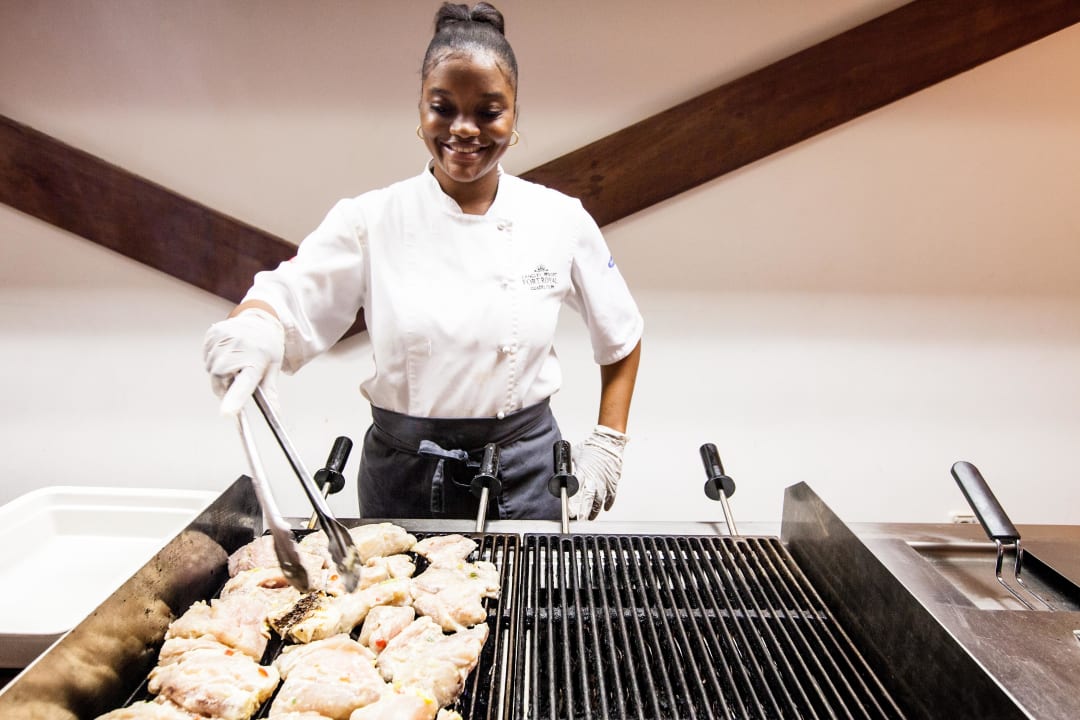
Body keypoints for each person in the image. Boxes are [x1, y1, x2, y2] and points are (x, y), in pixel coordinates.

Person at [203, 2, 642, 521]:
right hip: (402, 475)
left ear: (515, 115)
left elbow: (622, 334)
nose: (463, 130)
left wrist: (608, 445)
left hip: (526, 471)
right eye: (443, 107)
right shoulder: (371, 217)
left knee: (527, 604)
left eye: (488, 111)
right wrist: (254, 329)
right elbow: (289, 296)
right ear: (420, 111)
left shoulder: (559, 218)